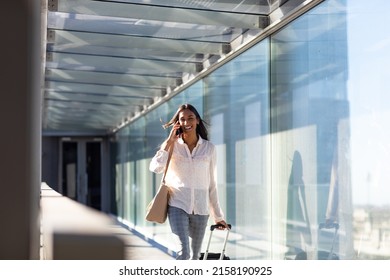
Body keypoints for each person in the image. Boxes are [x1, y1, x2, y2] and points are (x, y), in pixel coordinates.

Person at [149, 103, 228, 260]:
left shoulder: (209, 148)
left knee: (195, 256)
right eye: (182, 119)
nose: (186, 123)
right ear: (178, 122)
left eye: (190, 118)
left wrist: (218, 216)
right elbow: (155, 167)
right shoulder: (173, 146)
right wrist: (169, 142)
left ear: (197, 120)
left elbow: (212, 184)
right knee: (184, 253)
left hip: (201, 210)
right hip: (177, 205)